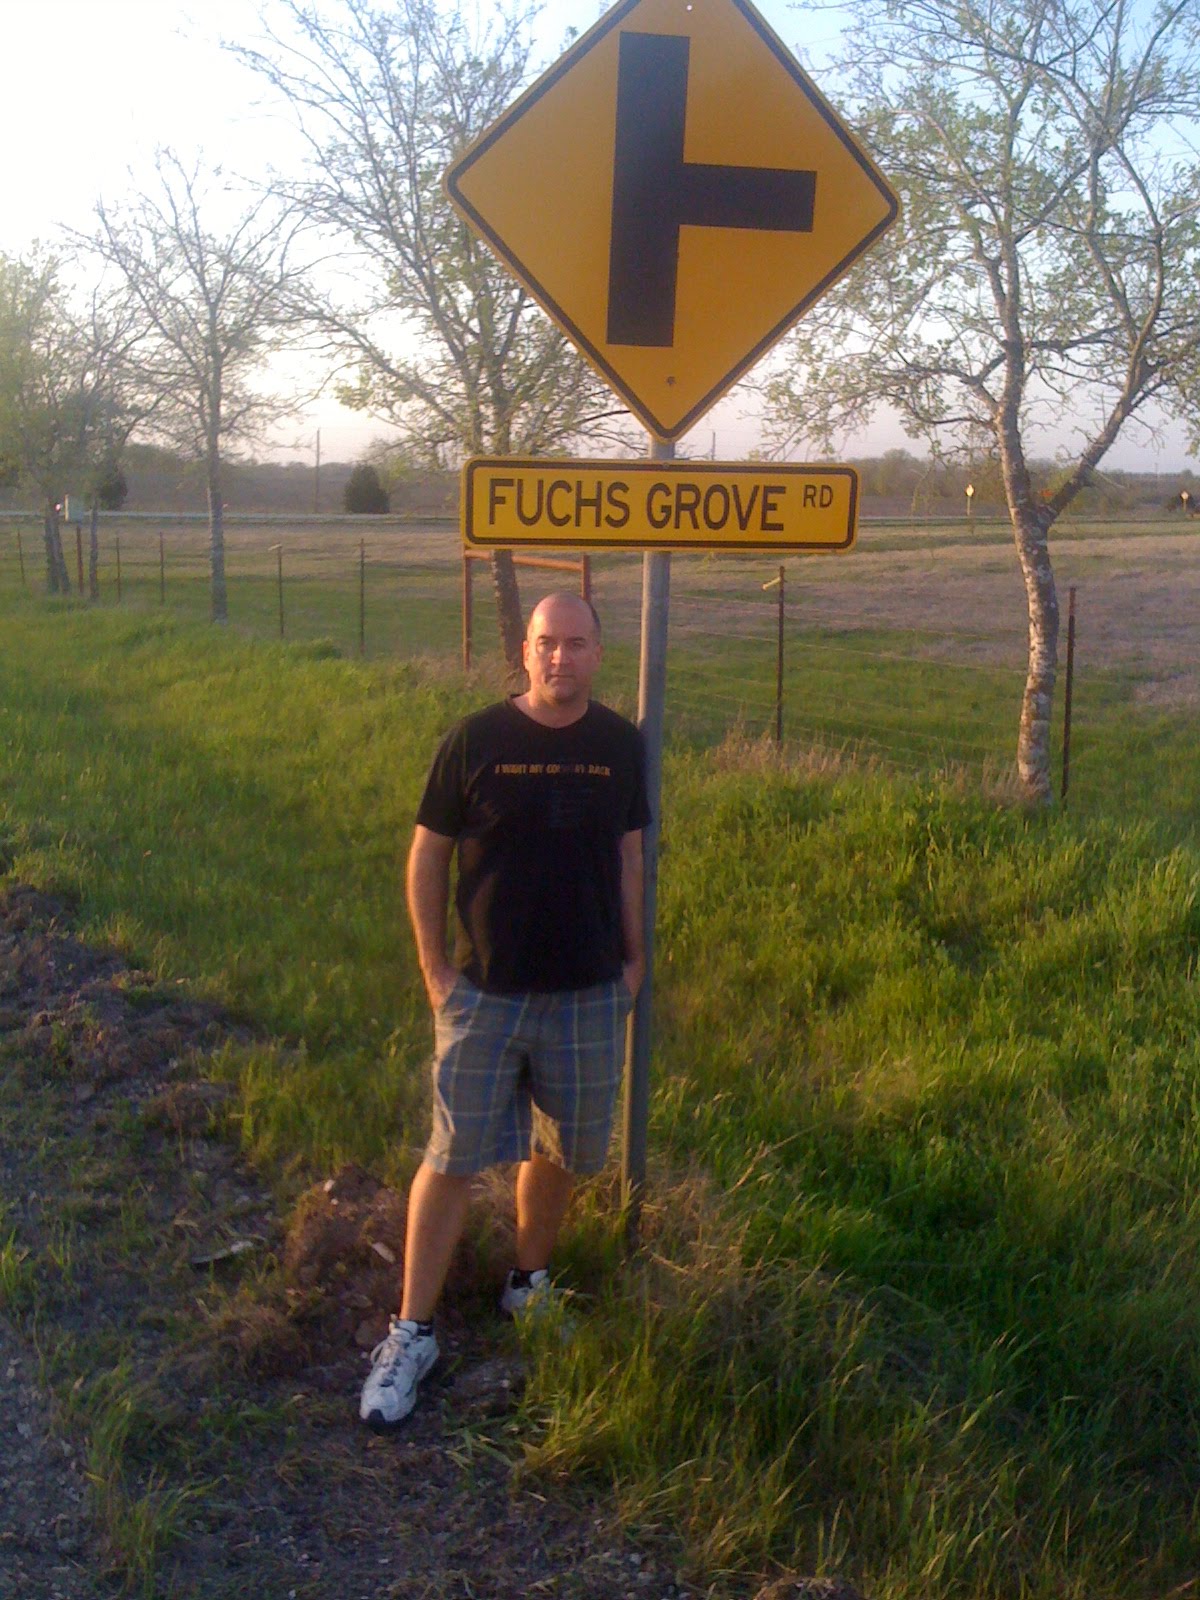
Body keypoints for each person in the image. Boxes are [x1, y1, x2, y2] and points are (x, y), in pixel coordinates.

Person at [360, 591, 650, 1430]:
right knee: (452, 1156)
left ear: (600, 653)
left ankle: (529, 1282)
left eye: (577, 644)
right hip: (484, 992)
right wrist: (435, 969)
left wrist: (635, 963)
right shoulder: (476, 739)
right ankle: (411, 1333)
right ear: (524, 651)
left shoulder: (620, 745)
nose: (561, 657)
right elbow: (428, 854)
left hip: (589, 991)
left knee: (561, 1148)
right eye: (547, 643)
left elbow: (630, 855)